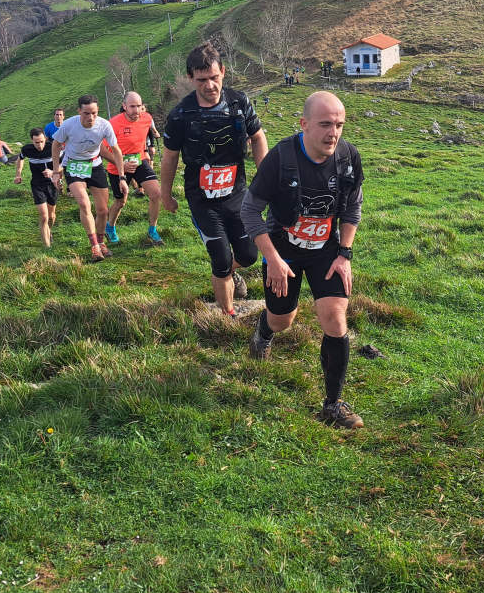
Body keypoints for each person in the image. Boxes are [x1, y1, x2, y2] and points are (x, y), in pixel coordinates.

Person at [241, 91, 365, 430]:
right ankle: (264, 333)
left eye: (339, 124)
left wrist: (345, 253)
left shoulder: (348, 158)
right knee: (283, 320)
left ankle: (332, 404)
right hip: (283, 248)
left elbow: (353, 207)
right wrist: (274, 259)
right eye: (325, 124)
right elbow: (250, 210)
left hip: (326, 249)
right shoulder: (280, 158)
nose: (333, 133)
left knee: (335, 318)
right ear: (304, 124)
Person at [160, 42, 267, 316]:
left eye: (214, 78)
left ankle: (229, 273)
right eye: (202, 80)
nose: (209, 85)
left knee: (248, 256)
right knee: (220, 259)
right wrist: (166, 194)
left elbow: (257, 137)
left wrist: (265, 179)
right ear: (190, 78)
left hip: (237, 195)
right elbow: (170, 157)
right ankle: (227, 314)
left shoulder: (239, 102)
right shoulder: (180, 115)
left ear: (223, 72)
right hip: (202, 200)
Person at [51, 94, 127, 261]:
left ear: (97, 111)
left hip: (95, 165)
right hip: (74, 166)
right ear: (79, 111)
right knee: (84, 204)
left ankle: (101, 243)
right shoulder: (70, 125)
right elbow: (56, 145)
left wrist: (122, 177)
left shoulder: (104, 125)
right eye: (86, 113)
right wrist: (57, 171)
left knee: (102, 210)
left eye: (94, 113)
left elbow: (116, 151)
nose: (90, 117)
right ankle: (94, 246)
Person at [105, 91, 164, 246]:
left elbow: (141, 138)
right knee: (120, 201)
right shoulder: (113, 123)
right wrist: (121, 165)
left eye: (139, 106)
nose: (136, 110)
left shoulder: (147, 118)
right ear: (124, 106)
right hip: (117, 165)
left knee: (156, 194)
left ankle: (152, 230)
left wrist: (145, 151)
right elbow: (102, 149)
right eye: (132, 106)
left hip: (139, 161)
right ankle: (110, 227)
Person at [14, 127, 58, 247]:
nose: (39, 145)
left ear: (45, 139)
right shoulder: (27, 149)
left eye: (41, 141)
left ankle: (49, 230)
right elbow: (20, 159)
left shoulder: (53, 147)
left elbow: (63, 164)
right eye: (36, 142)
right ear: (32, 141)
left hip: (52, 184)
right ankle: (47, 247)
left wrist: (53, 171)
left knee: (51, 216)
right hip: (37, 184)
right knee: (44, 216)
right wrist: (18, 174)